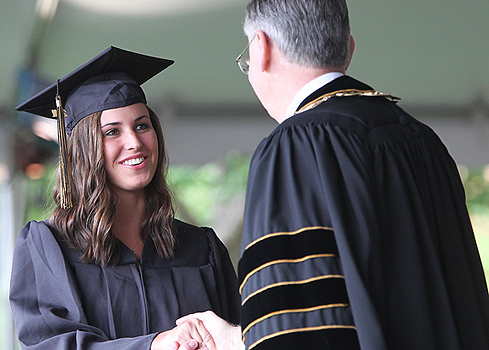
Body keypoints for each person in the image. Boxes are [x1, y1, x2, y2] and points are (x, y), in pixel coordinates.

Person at [178, 0, 489, 349]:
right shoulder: (423, 141)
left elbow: (299, 327)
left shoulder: (295, 146)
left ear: (260, 48)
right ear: (349, 50)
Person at [9, 46, 240, 350]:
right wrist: (153, 345)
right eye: (111, 132)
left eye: (142, 126)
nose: (134, 142)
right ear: (84, 149)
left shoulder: (201, 248)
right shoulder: (50, 248)